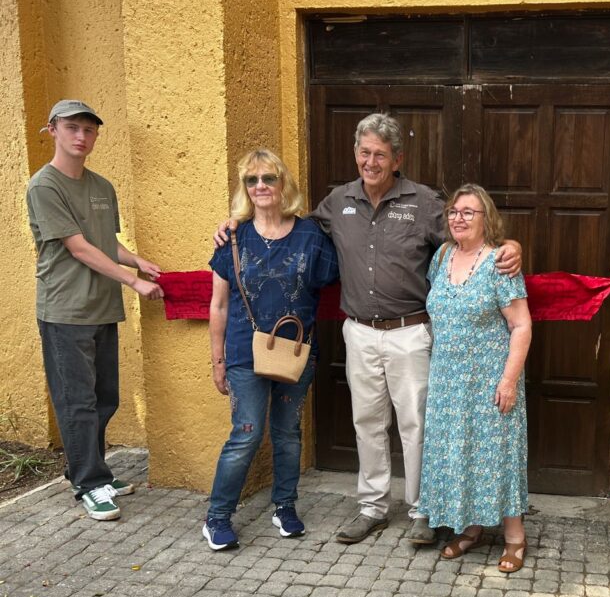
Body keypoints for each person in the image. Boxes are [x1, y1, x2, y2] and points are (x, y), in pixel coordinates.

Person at [216, 113, 521, 546]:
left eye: (380, 154)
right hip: (359, 331)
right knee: (367, 422)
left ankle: (422, 510)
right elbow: (287, 228)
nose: (371, 162)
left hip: (410, 331)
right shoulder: (337, 201)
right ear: (355, 154)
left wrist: (512, 245)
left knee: (417, 425)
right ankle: (373, 508)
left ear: (397, 159)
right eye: (364, 152)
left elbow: (469, 237)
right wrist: (236, 224)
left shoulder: (424, 202)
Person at [28, 99, 164, 522]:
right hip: (65, 310)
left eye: (89, 130)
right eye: (72, 127)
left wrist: (137, 261)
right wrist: (133, 282)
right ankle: (89, 484)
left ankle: (88, 469)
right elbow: (79, 248)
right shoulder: (44, 186)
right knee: (77, 401)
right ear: (53, 130)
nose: (81, 136)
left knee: (105, 398)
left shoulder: (102, 186)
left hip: (102, 307)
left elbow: (105, 242)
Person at [204, 149, 339, 550]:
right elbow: (219, 305)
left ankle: (285, 506)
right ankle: (217, 517)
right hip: (244, 354)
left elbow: (341, 268)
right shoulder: (233, 237)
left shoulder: (311, 236)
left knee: (287, 433)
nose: (260, 186)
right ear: (244, 188)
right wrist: (217, 361)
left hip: (294, 352)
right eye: (252, 180)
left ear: (283, 184)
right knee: (246, 434)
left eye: (268, 178)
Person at [418, 184, 532, 573]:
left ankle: (515, 537)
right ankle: (471, 527)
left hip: (490, 380)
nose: (459, 218)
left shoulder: (500, 262)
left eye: (469, 212)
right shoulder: (442, 256)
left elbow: (521, 325)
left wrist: (509, 381)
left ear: (487, 219)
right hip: (448, 381)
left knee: (498, 455)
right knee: (459, 453)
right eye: (453, 211)